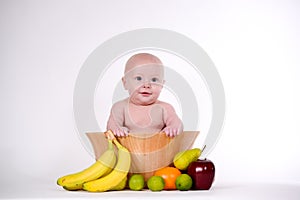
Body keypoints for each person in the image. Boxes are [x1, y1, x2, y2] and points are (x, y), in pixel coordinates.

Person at [106, 53, 183, 137]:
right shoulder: (120, 107)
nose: (146, 85)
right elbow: (111, 126)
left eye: (154, 79)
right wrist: (116, 129)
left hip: (159, 148)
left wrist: (173, 127)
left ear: (162, 85)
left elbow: (177, 123)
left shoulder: (165, 108)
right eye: (139, 78)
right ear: (125, 83)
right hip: (127, 149)